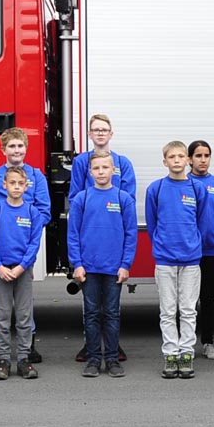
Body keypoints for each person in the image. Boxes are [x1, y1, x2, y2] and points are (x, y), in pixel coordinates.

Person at [0, 128, 51, 365]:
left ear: (26, 149)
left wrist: (25, 226)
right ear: (3, 150)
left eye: (20, 146)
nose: (16, 150)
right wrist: (0, 229)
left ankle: (27, 344)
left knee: (24, 298)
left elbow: (44, 211)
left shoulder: (36, 177)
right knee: (0, 299)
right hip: (0, 246)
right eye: (12, 146)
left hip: (25, 246)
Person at [68, 151, 137, 378]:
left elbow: (130, 234)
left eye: (105, 168)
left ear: (113, 171)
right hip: (88, 268)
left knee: (112, 314)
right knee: (91, 314)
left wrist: (125, 264)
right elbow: (73, 235)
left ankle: (113, 360)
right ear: (90, 172)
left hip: (113, 268)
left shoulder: (123, 199)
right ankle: (94, 359)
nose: (101, 172)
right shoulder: (81, 199)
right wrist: (77, 264)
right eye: (96, 169)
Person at [146, 141, 209, 379]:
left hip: (191, 259)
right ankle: (170, 354)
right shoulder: (157, 188)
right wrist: (162, 245)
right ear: (165, 161)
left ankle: (186, 354)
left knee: (188, 309)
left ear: (188, 160)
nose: (176, 160)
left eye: (181, 156)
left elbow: (201, 222)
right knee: (168, 310)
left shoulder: (197, 189)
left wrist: (193, 244)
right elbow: (152, 223)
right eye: (171, 156)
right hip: (164, 259)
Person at [189, 140, 214, 360]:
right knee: (186, 301)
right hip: (188, 253)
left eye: (206, 155)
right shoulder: (184, 183)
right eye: (198, 155)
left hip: (211, 252)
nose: (202, 160)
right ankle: (185, 343)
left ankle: (207, 342)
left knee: (208, 298)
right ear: (189, 159)